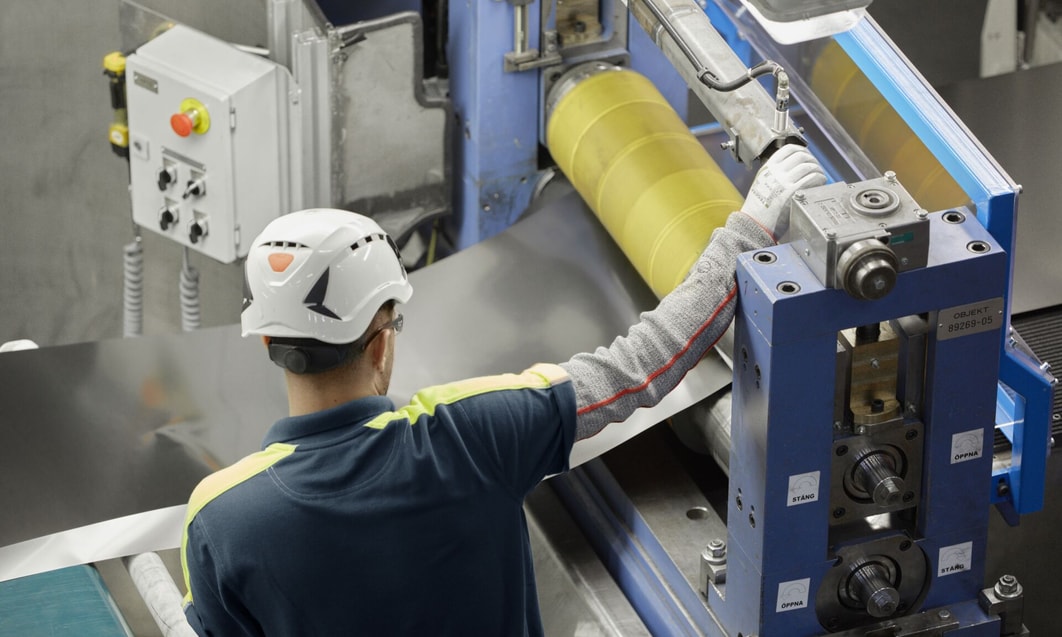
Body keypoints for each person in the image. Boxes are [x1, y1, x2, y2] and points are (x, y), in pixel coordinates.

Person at [181, 144, 826, 636]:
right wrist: (750, 230)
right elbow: (647, 364)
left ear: (268, 344)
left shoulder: (221, 518)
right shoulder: (473, 435)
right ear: (382, 342)